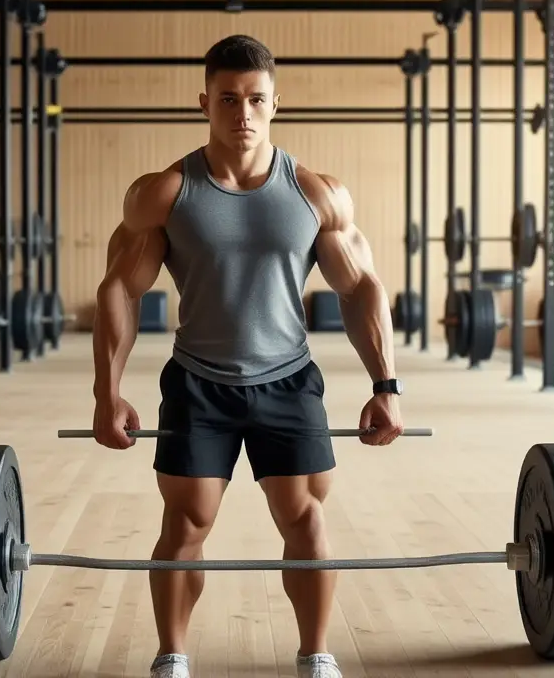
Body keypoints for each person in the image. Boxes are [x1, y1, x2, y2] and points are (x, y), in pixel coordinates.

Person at [91, 34, 404, 678]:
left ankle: (316, 654)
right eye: (228, 99)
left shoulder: (316, 194)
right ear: (203, 101)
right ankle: (171, 656)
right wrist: (107, 391)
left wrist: (387, 383)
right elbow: (120, 288)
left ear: (276, 104)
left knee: (305, 521)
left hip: (287, 383)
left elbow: (362, 288)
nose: (243, 114)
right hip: (197, 385)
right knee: (186, 524)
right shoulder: (164, 193)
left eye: (256, 100)